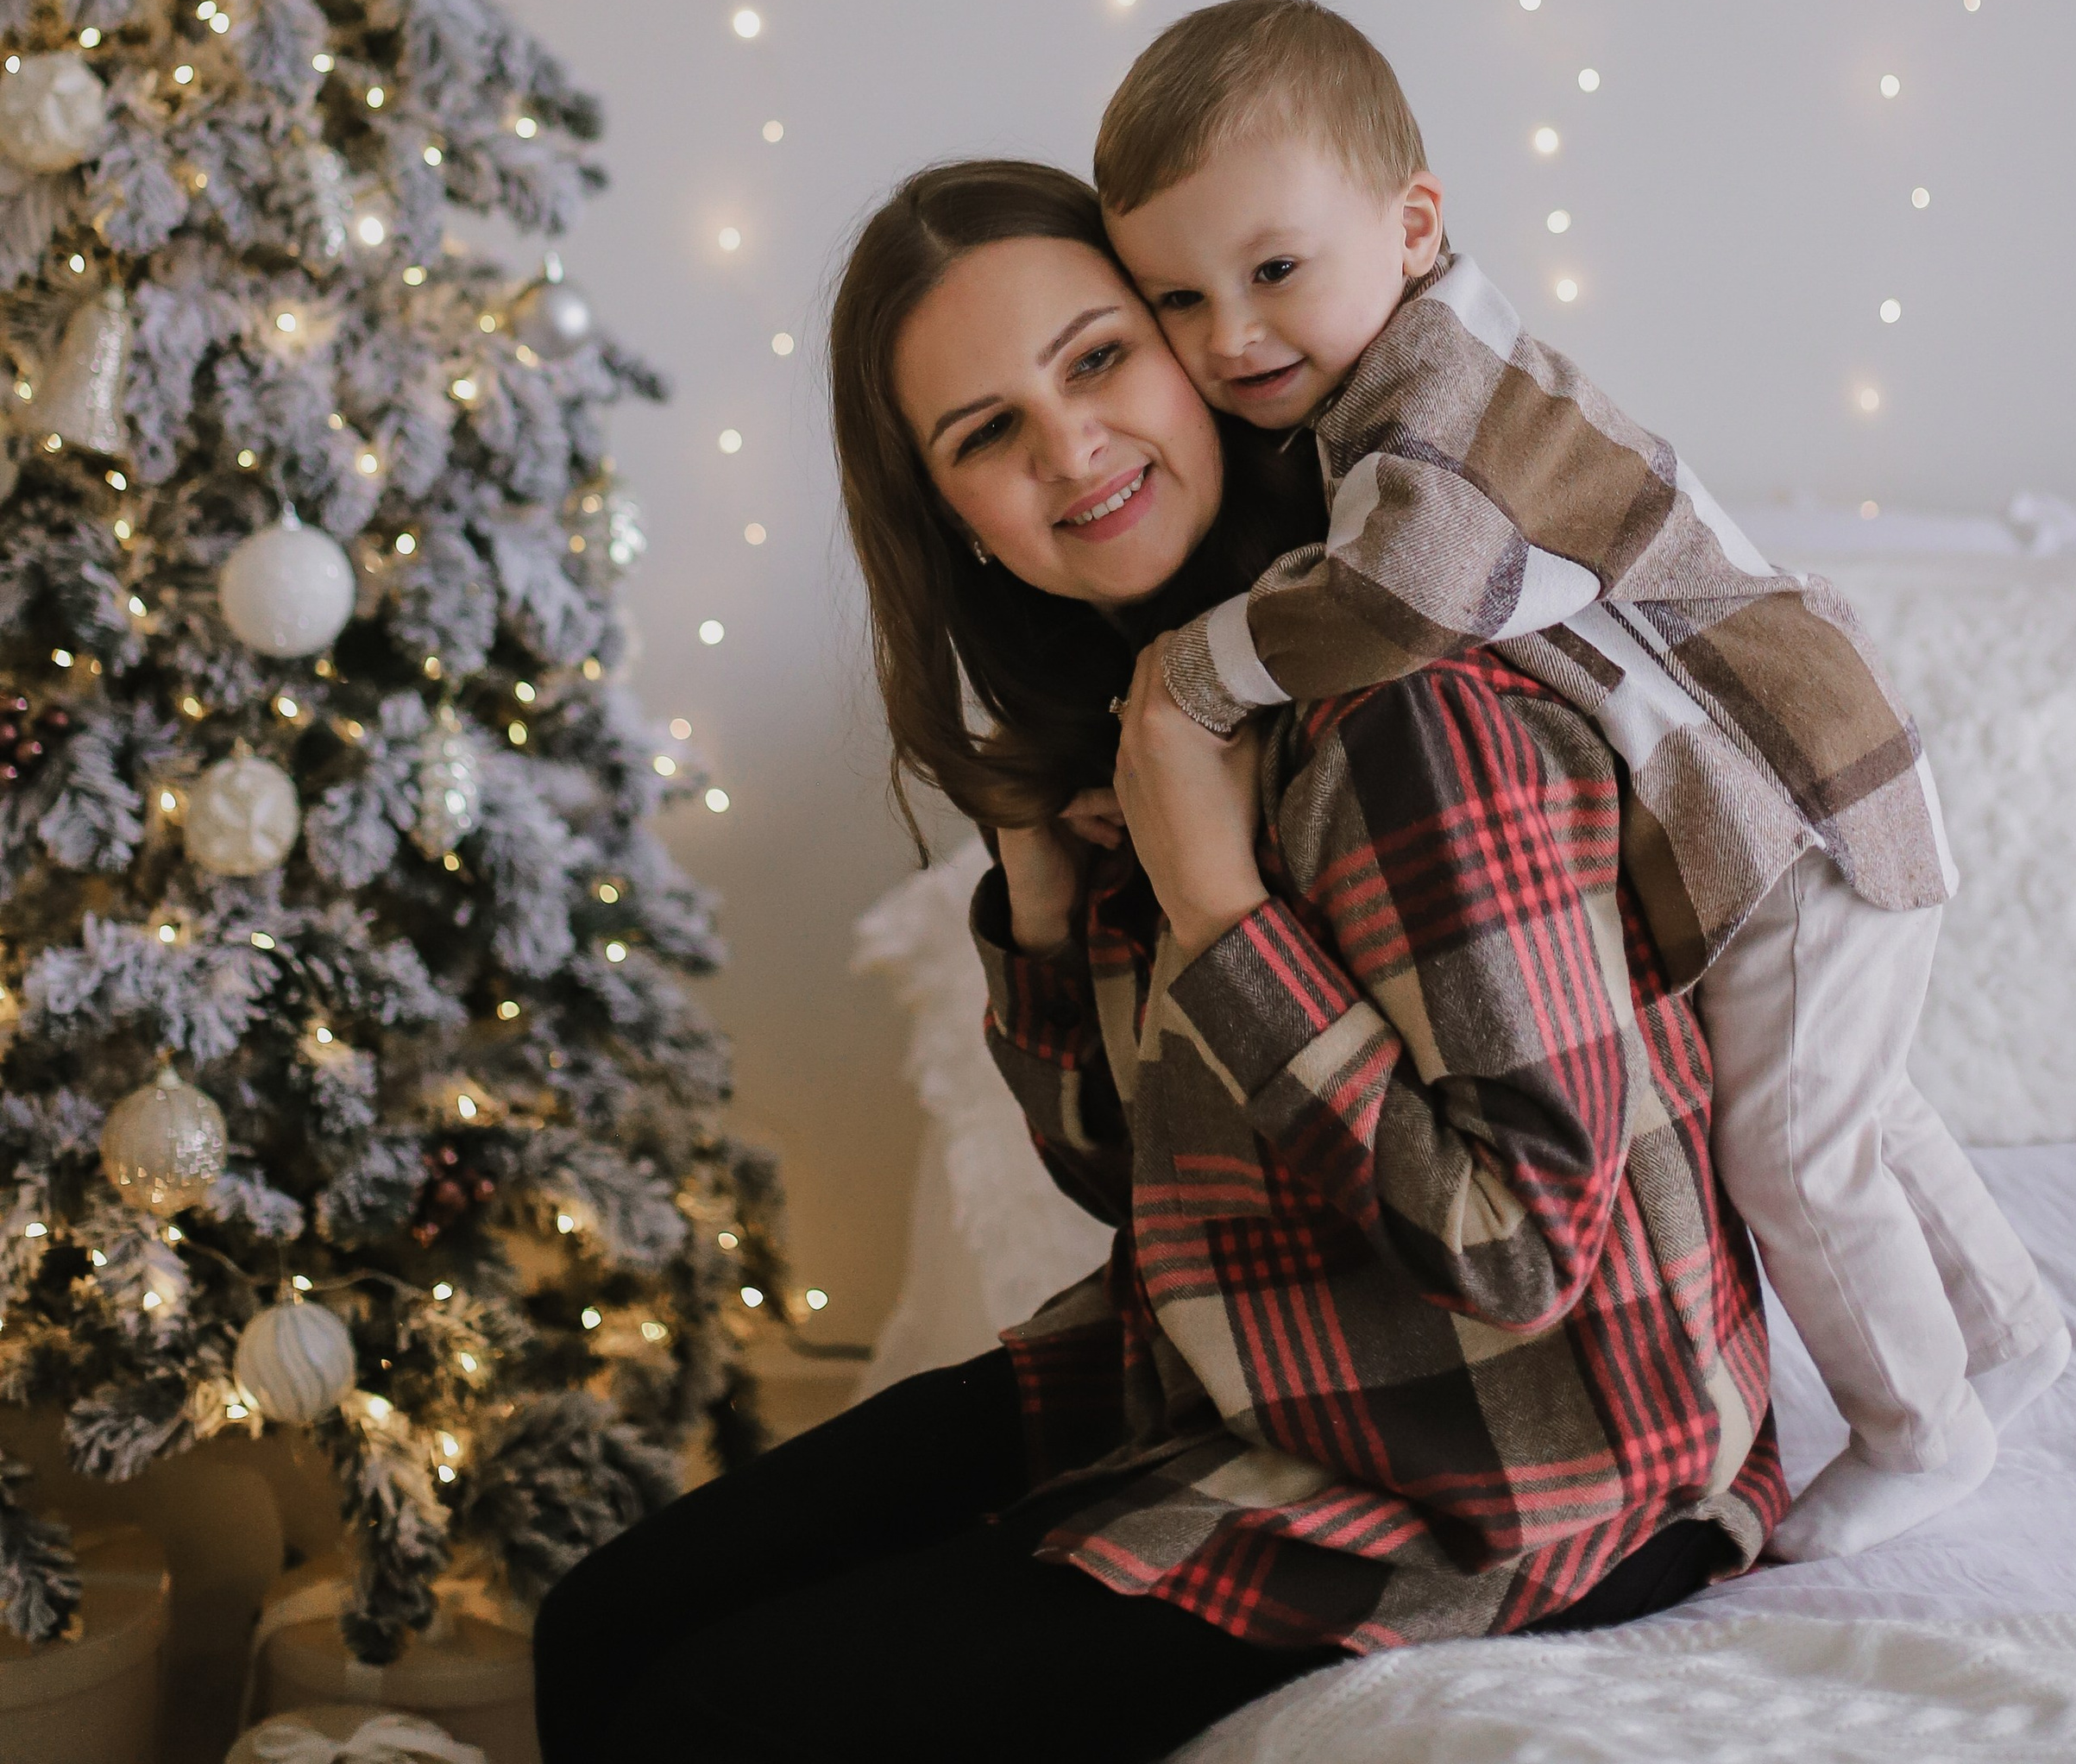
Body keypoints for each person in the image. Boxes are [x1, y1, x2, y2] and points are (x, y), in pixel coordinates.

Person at [534, 158, 1781, 1764]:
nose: (1070, 451)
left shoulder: (1399, 703)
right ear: (953, 520)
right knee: (605, 1625)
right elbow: (1133, 1181)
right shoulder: (1158, 704)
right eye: (986, 434)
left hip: (1545, 1454)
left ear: (1195, 356)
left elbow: (1521, 1247)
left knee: (717, 1718)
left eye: (1097, 359)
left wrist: (1217, 910)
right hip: (1251, 1359)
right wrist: (1047, 890)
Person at [1092, 0, 2068, 1565]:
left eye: (1273, 270)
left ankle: (1922, 1429)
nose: (1228, 339)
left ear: (1413, 224)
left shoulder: (1443, 409)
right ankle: (2009, 1337)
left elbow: (1412, 595)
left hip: (1789, 811)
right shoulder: (1395, 397)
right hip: (1795, 793)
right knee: (1852, 1107)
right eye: (1179, 300)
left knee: (1794, 1149)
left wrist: (1195, 674)